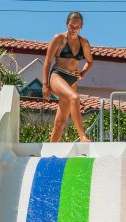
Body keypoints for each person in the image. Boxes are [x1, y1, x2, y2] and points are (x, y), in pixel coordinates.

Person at [41, 11, 93, 143]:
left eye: (77, 26)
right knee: (74, 98)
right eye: (71, 26)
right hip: (57, 75)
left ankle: (51, 149)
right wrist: (45, 85)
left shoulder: (84, 42)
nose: (74, 29)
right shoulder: (59, 39)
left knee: (60, 122)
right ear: (67, 24)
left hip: (72, 80)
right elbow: (47, 62)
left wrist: (81, 74)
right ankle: (82, 136)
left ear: (82, 26)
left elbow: (90, 61)